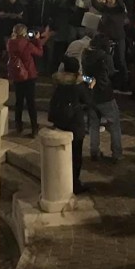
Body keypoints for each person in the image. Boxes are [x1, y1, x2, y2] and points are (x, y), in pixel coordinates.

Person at [48, 56, 95, 194]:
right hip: (74, 124)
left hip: (59, 121)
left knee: (62, 153)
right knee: (76, 156)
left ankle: (61, 179)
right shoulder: (78, 85)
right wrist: (90, 87)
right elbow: (88, 101)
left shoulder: (58, 81)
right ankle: (74, 183)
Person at [82, 34, 122, 162]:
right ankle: (117, 153)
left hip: (91, 94)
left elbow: (84, 76)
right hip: (105, 95)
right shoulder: (105, 57)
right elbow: (110, 73)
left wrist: (90, 82)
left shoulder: (85, 55)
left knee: (93, 125)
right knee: (114, 125)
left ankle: (94, 152)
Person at [6, 24, 46, 137]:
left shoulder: (10, 43)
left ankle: (19, 126)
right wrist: (37, 39)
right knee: (30, 102)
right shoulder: (27, 44)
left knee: (19, 101)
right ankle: (34, 128)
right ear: (24, 33)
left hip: (17, 75)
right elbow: (39, 52)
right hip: (29, 75)